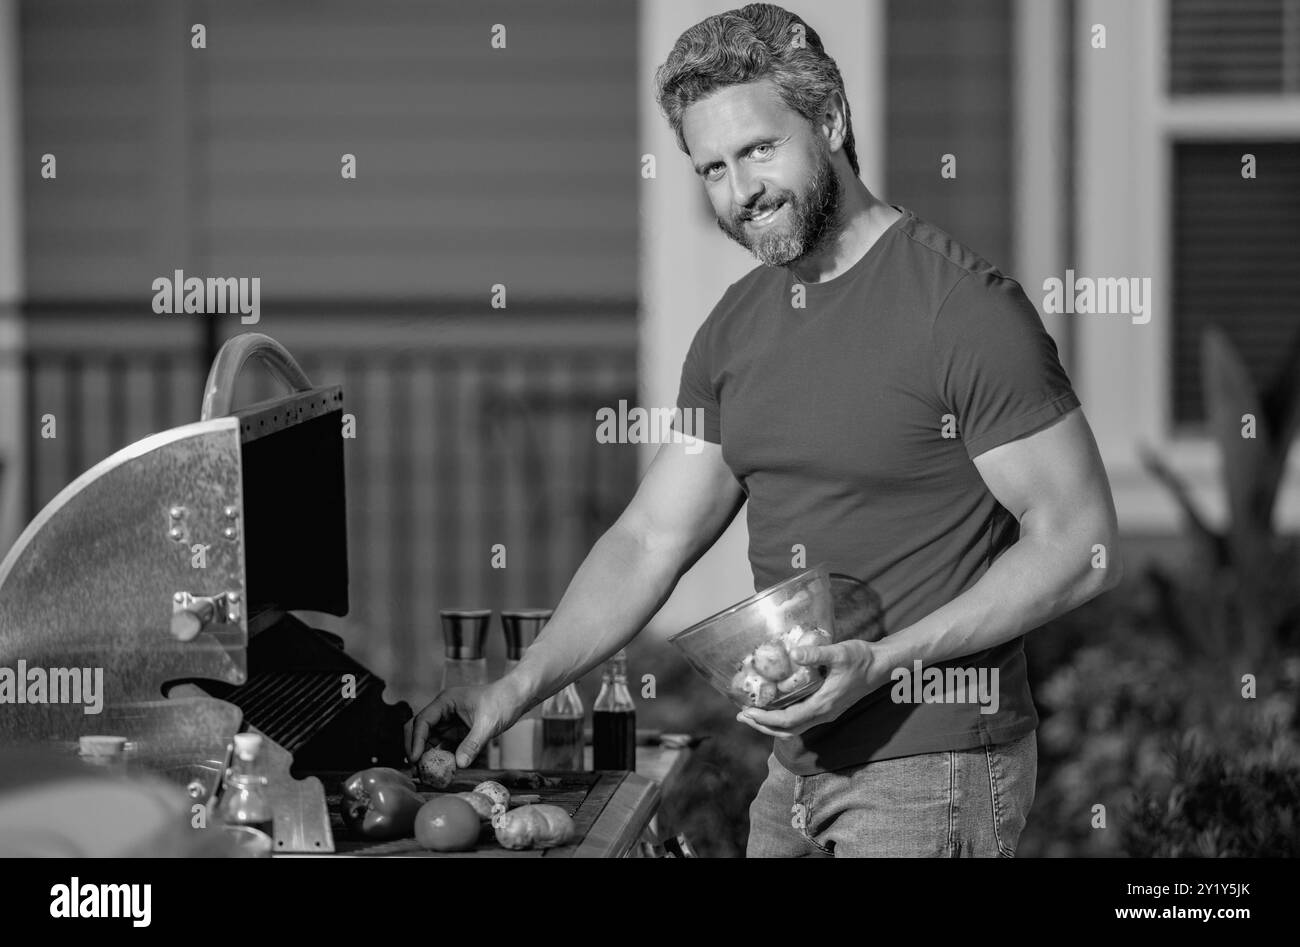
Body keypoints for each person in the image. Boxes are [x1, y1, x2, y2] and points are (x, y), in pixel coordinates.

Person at [410, 2, 1122, 857]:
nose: (741, 192)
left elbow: (1080, 543)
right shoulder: (737, 327)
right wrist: (510, 691)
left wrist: (887, 658)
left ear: (830, 120)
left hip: (934, 769)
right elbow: (648, 539)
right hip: (793, 769)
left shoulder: (962, 311)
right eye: (712, 168)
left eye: (759, 150)